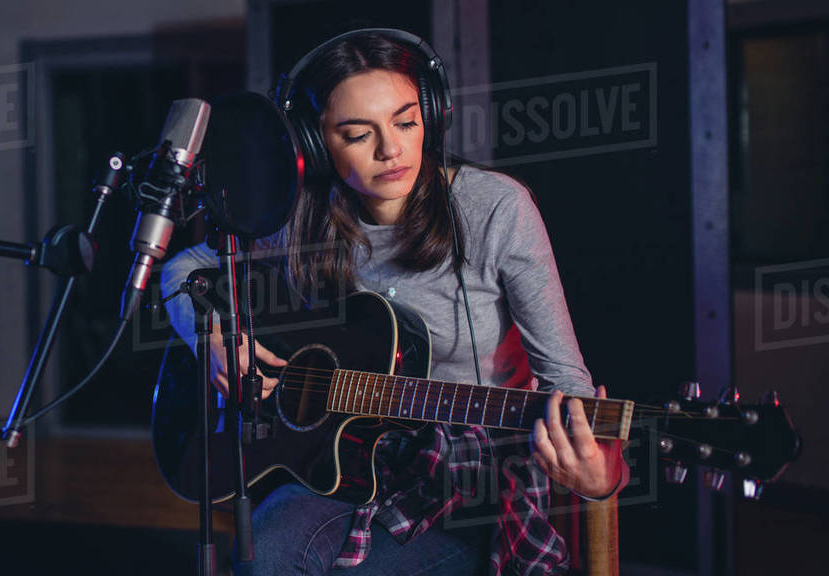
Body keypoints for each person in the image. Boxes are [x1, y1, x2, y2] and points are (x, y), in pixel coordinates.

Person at [161, 29, 627, 575]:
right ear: (315, 146)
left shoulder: (496, 209)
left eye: (406, 122)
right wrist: (211, 337)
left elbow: (566, 382)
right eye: (358, 134)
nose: (391, 150)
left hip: (464, 484)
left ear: (430, 114)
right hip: (336, 465)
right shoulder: (302, 217)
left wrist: (602, 474)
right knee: (265, 558)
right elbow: (181, 268)